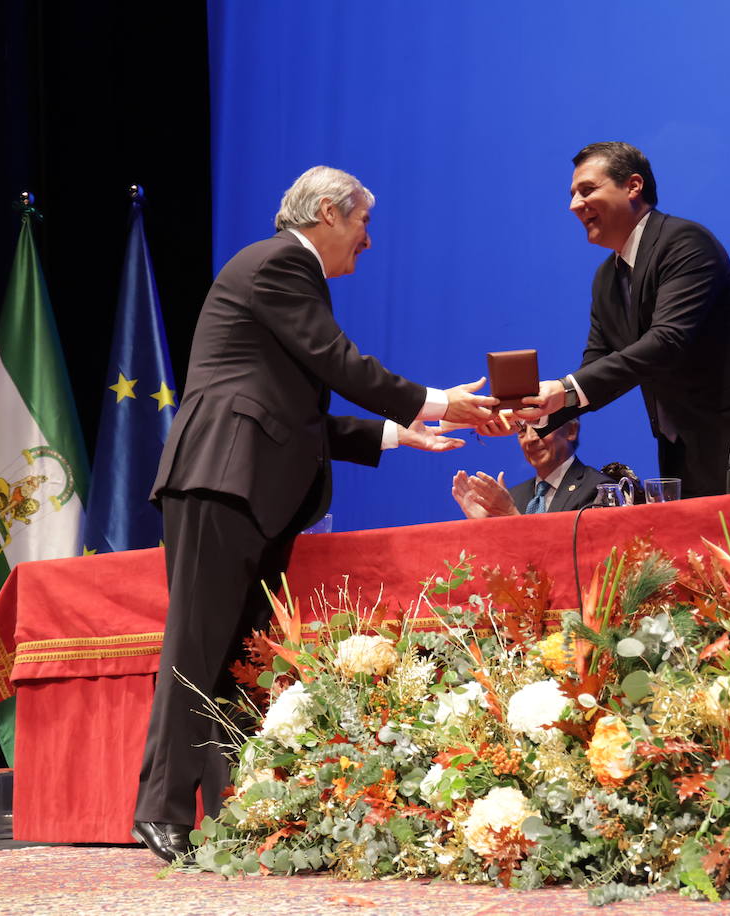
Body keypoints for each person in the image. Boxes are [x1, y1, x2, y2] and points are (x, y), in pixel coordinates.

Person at [132, 166, 497, 863]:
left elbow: (297, 414)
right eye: (363, 222)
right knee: (197, 649)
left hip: (250, 485)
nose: (367, 241)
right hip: (222, 479)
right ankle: (162, 808)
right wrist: (436, 401)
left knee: (240, 659)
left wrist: (399, 432)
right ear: (328, 211)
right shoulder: (279, 265)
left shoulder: (282, 277)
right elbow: (340, 363)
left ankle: (230, 809)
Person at [510, 142, 730, 498]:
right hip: (686, 457)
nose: (574, 205)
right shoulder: (606, 278)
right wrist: (532, 415)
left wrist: (563, 390)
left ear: (633, 186)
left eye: (587, 190)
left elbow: (667, 341)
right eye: (572, 194)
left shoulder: (684, 242)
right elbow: (597, 366)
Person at [451, 417, 612, 517]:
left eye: (540, 426)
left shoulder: (598, 491)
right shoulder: (513, 496)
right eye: (521, 431)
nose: (529, 439)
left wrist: (510, 515)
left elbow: (578, 556)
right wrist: (485, 525)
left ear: (571, 430)